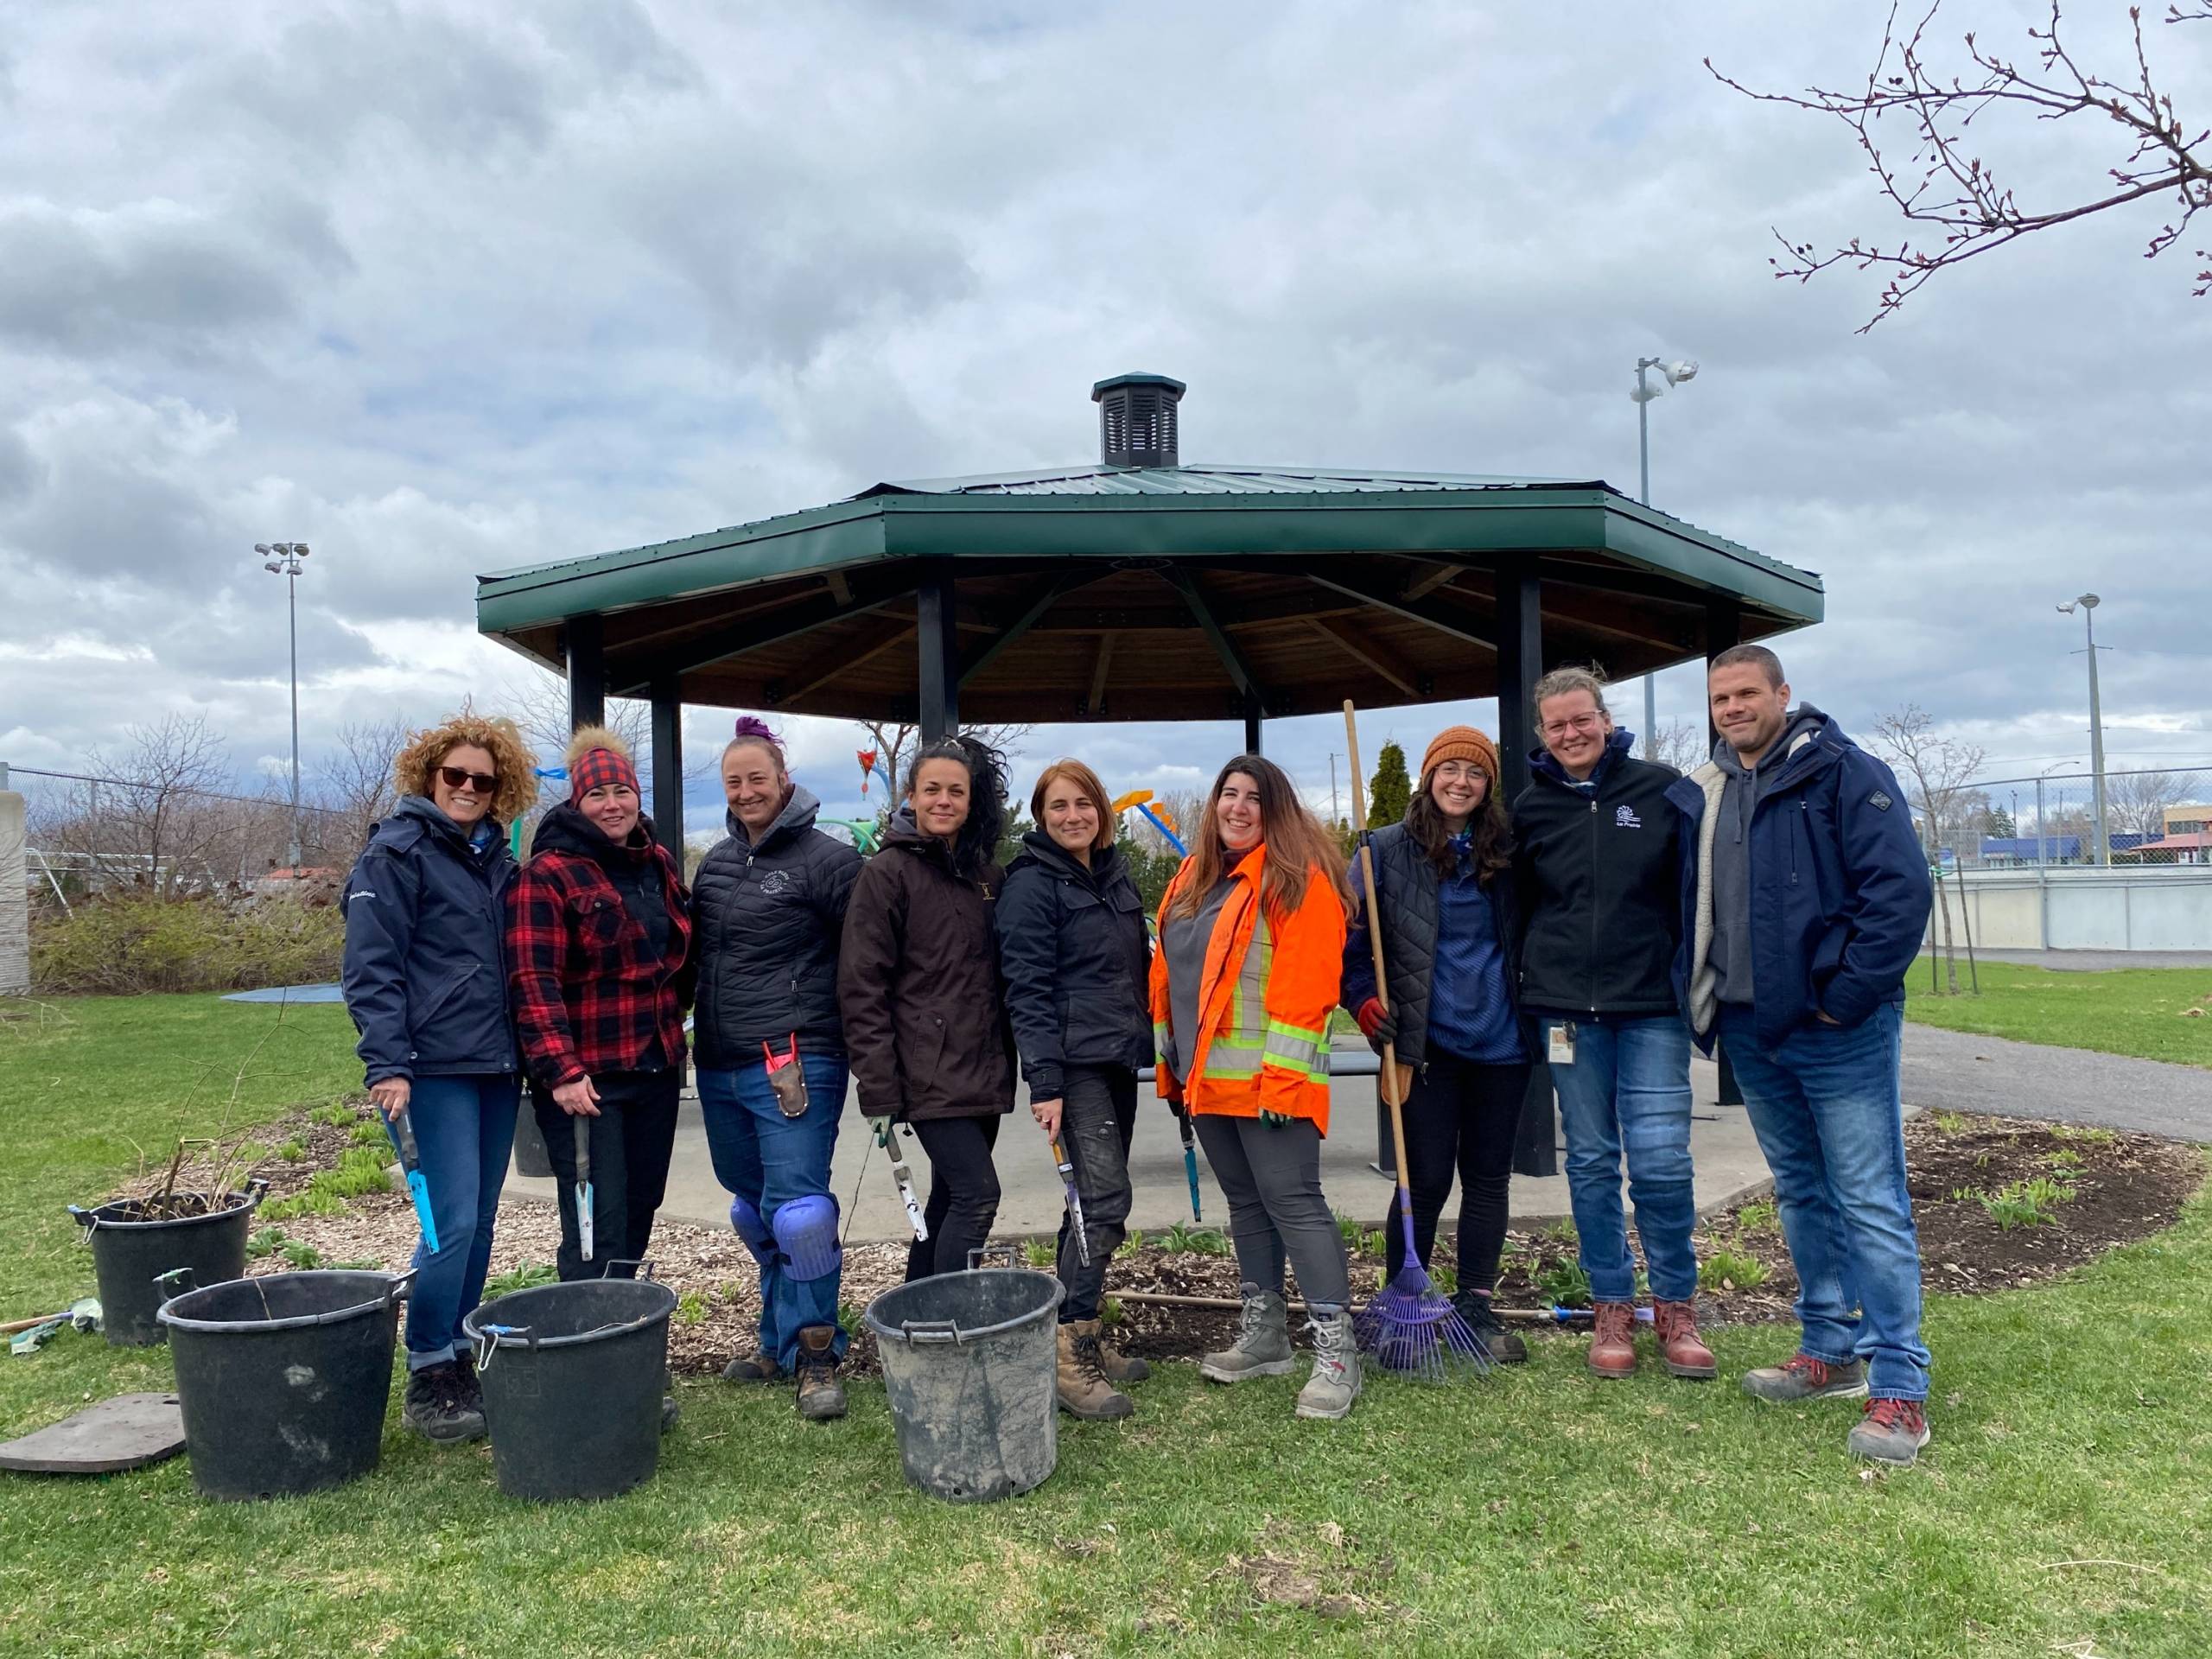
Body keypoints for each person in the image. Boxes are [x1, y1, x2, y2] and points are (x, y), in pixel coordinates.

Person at [1669, 645, 1935, 1465]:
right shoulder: (1707, 791)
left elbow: (1900, 892)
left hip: (1835, 1028)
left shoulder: (1845, 773)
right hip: (1752, 1027)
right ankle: (1830, 1348)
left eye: (1747, 693)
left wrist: (1843, 997)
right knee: (1802, 1194)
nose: (1733, 708)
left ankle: (1902, 1387)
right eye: (1720, 697)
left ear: (1784, 694)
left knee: (1870, 1198)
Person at [1513, 666, 1714, 1382]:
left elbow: (1697, 891)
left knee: (1661, 1162)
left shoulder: (1661, 792)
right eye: (1556, 725)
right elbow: (1516, 907)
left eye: (1581, 719)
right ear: (1542, 733)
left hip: (1650, 1009)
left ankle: (1677, 1307)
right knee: (1593, 1162)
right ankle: (1611, 1305)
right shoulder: (1530, 809)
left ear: (1605, 718)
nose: (1571, 734)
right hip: (1567, 1016)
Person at [340, 711, 537, 1444]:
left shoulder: (496, 862)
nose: (467, 788)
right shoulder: (397, 854)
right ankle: (428, 1364)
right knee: (446, 1223)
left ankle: (460, 1347)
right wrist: (387, 1064)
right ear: (430, 776)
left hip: (494, 1064)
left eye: (483, 782)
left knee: (480, 1220)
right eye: (455, 775)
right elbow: (371, 968)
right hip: (430, 1070)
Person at [1151, 755, 1359, 1421]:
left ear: (1277, 810)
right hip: (1206, 1081)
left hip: (1272, 1083)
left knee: (1294, 1203)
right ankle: (1266, 1335)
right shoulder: (1193, 878)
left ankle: (1336, 1352)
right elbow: (1175, 980)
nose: (1238, 807)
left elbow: (1308, 989)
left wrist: (1283, 1080)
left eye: (1254, 798)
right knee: (1246, 1204)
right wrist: (1174, 1068)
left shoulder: (1297, 882)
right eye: (1228, 795)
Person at [1341, 726, 1533, 1364]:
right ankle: (1406, 1308)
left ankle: (1475, 1306)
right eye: (1448, 769)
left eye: (1474, 772)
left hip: (1502, 1045)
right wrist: (1366, 1006)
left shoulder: (1510, 850)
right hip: (1424, 1048)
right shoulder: (1383, 853)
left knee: (1486, 1179)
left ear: (1488, 786)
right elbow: (1352, 953)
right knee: (1421, 1182)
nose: (1460, 782)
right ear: (1429, 776)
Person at [692, 716, 862, 1421]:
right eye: (733, 782)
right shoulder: (716, 865)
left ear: (784, 780)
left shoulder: (829, 862)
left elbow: (867, 963)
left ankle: (817, 1353)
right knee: (753, 1209)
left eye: (756, 778)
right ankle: (777, 1342)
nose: (745, 791)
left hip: (796, 1060)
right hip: (720, 1065)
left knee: (799, 1215)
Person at [506, 728, 692, 1287]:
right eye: (597, 795)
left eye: (622, 792)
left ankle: (623, 1322)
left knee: (640, 1208)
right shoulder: (550, 873)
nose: (612, 805)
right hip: (588, 1083)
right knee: (596, 1222)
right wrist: (560, 1072)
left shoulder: (656, 862)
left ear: (637, 796)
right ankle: (585, 1334)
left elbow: (676, 957)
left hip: (654, 1069)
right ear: (576, 804)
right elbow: (531, 979)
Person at [997, 759, 1154, 1420]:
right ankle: (1068, 1357)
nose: (1072, 817)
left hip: (1116, 1059)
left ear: (1102, 810)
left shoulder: (1113, 878)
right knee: (1105, 1200)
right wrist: (1046, 1081)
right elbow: (1025, 990)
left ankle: (1079, 1333)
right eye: (1057, 807)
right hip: (1073, 1066)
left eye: (1083, 804)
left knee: (1084, 1207)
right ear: (1041, 817)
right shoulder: (1032, 886)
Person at [839, 734, 1017, 1283]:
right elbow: (861, 984)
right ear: (911, 796)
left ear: (971, 800)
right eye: (932, 789)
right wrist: (879, 1086)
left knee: (945, 1202)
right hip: (927, 1071)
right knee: (977, 1195)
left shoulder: (985, 876)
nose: (944, 801)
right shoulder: (887, 874)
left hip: (981, 1067)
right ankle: (948, 1323)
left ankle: (918, 1311)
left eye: (956, 791)